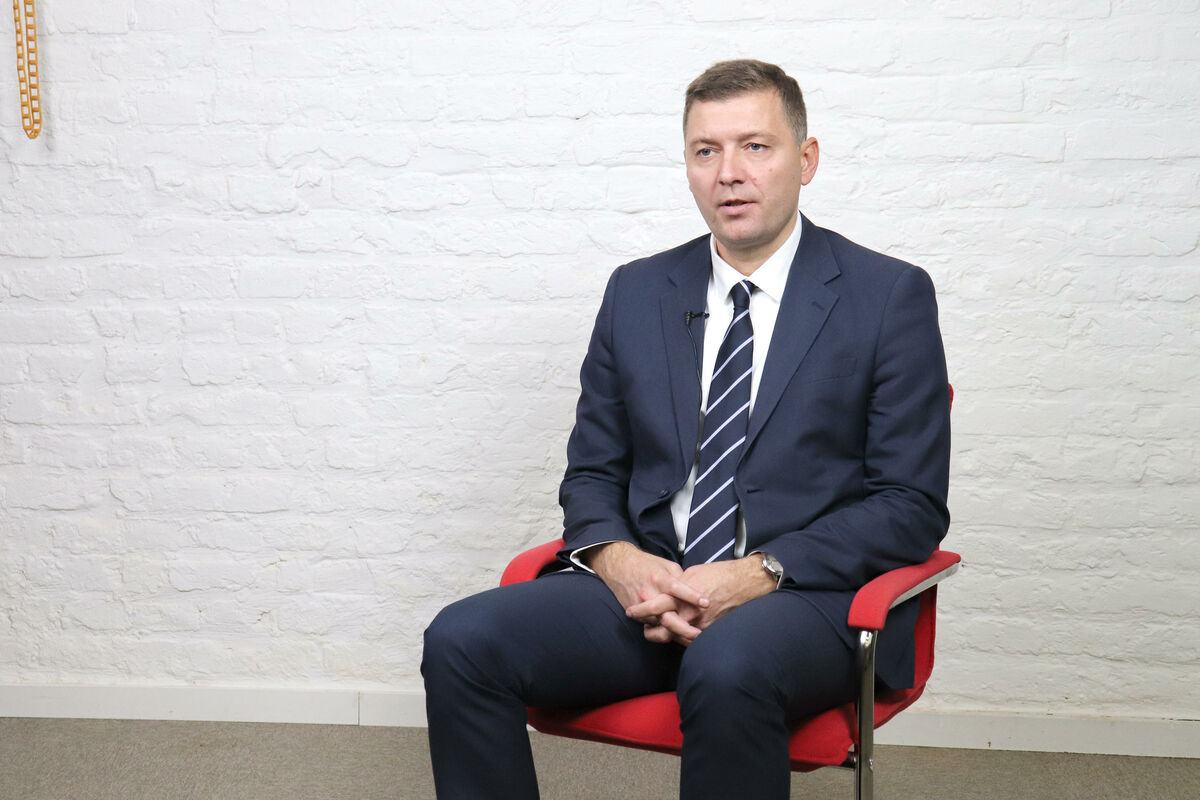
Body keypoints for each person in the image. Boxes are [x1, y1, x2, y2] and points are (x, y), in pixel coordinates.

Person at [422, 58, 950, 800]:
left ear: (806, 160)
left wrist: (754, 573)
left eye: (755, 147)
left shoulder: (888, 295)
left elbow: (909, 505)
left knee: (727, 662)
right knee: (462, 640)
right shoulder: (637, 291)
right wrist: (619, 562)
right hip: (652, 588)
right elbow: (593, 472)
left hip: (805, 597)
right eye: (707, 151)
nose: (729, 173)